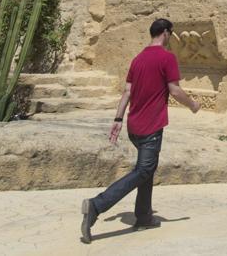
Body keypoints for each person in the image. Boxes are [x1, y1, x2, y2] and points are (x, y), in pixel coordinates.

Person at [80, 18, 201, 244]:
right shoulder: (167, 57)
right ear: (165, 33)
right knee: (144, 170)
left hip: (134, 126)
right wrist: (193, 105)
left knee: (147, 167)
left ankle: (144, 216)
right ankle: (96, 206)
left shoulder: (137, 59)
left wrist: (118, 119)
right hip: (151, 127)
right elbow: (174, 90)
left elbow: (127, 91)